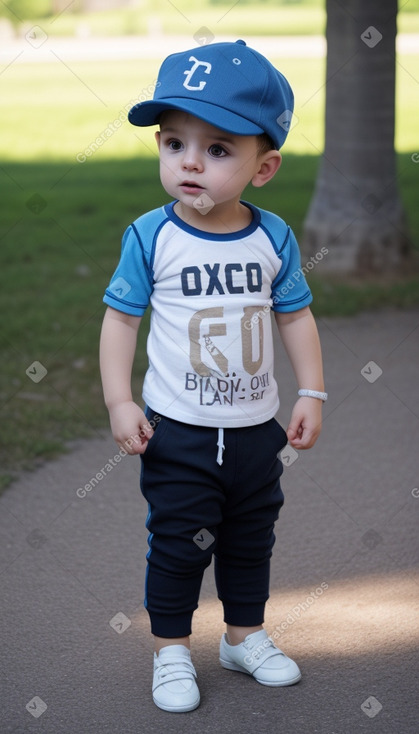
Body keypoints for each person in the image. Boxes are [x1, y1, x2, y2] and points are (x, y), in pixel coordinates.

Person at [99, 39, 326, 713]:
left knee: (251, 536)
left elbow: (295, 317)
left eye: (218, 148)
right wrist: (118, 400)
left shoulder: (273, 237)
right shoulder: (150, 237)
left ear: (264, 166)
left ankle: (242, 635)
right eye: (174, 143)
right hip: (178, 431)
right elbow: (120, 322)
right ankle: (171, 650)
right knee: (176, 543)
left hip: (256, 429)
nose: (189, 161)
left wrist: (310, 389)